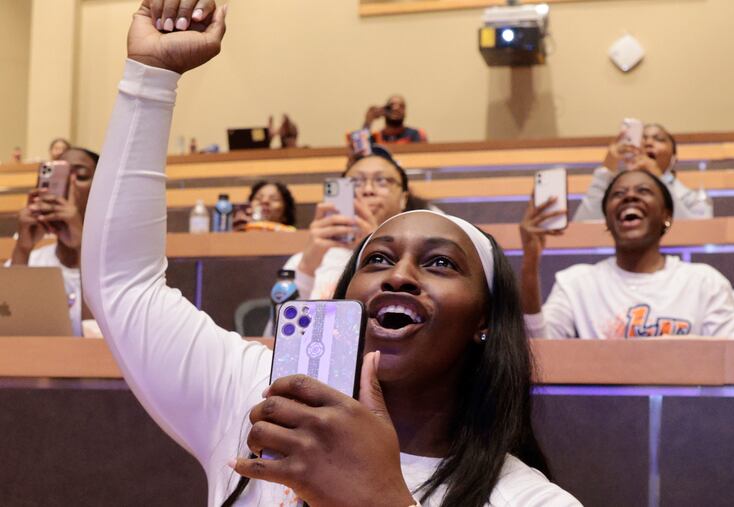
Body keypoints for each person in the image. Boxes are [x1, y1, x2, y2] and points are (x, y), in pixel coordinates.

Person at [81, 3, 580, 505]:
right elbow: (124, 284)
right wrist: (150, 77)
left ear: (485, 319)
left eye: (440, 263)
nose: (400, 275)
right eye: (377, 260)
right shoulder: (262, 397)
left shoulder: (531, 499)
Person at [521, 169, 734, 339]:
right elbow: (539, 350)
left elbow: (731, 363)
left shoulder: (706, 282)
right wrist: (530, 264)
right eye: (618, 193)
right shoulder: (575, 284)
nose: (630, 197)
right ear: (607, 220)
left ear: (667, 215)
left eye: (643, 191)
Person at [284, 144, 429, 300]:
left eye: (381, 181)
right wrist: (307, 267)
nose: (367, 189)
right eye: (356, 182)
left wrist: (375, 248)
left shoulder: (417, 261)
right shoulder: (303, 261)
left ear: (403, 198)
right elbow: (278, 324)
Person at [6, 147, 99, 336]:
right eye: (61, 177)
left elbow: (96, 339)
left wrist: (83, 246)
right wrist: (23, 250)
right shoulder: (34, 259)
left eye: (80, 176)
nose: (67, 187)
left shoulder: (114, 268)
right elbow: (8, 331)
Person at [573, 123, 713, 221]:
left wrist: (658, 178)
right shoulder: (618, 194)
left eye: (659, 139)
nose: (648, 143)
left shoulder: (693, 200)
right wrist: (608, 167)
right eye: (643, 138)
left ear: (674, 157)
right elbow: (583, 227)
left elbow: (693, 233)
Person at [232, 180, 296, 231]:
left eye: (274, 199)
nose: (264, 201)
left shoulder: (293, 237)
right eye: (258, 198)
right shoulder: (237, 232)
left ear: (285, 215)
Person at [364, 95, 428, 144]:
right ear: (384, 109)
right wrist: (368, 121)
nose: (396, 108)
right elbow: (361, 150)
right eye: (391, 105)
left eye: (401, 106)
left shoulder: (417, 134)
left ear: (405, 112)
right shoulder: (376, 137)